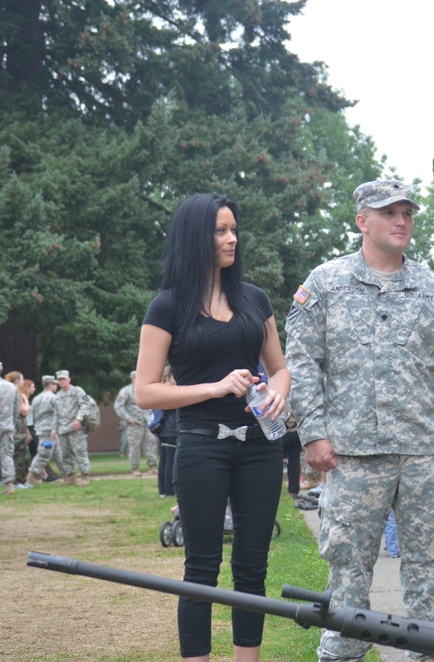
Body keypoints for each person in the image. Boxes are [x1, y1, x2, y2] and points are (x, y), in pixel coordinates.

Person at [285, 179, 434, 662]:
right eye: (389, 212)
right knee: (348, 570)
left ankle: (426, 656)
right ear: (361, 221)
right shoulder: (326, 284)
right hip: (350, 455)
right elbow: (302, 362)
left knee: (429, 571)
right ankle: (344, 654)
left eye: (408, 213)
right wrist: (313, 431)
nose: (401, 221)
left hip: (423, 455)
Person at [134, 192, 290, 662]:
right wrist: (215, 387)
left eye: (234, 230)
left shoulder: (254, 299)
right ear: (194, 237)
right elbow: (146, 391)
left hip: (260, 448)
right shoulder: (167, 307)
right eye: (220, 230)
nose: (232, 239)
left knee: (252, 568)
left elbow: (279, 368)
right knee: (200, 569)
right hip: (201, 446)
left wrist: (278, 391)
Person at [115, 370, 159, 476]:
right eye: (136, 378)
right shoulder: (126, 391)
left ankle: (152, 467)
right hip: (134, 424)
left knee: (151, 443)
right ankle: (135, 469)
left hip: (147, 422)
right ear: (132, 378)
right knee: (134, 446)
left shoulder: (145, 390)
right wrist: (129, 419)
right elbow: (118, 407)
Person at [53, 369, 92, 486]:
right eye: (59, 380)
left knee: (80, 452)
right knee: (65, 454)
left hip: (76, 428)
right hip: (62, 429)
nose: (61, 381)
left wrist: (78, 419)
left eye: (63, 379)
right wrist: (54, 429)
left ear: (69, 379)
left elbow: (85, 405)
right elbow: (56, 414)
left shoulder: (78, 391)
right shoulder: (58, 396)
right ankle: (70, 477)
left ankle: (85, 476)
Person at [27, 375, 63, 485]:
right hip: (49, 431)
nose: (56, 386)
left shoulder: (36, 399)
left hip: (42, 430)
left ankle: (68, 475)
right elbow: (60, 413)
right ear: (51, 385)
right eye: (55, 384)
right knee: (44, 454)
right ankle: (31, 476)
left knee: (58, 454)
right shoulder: (53, 397)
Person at [154, 367, 179, 499]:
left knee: (164, 459)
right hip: (171, 429)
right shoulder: (170, 390)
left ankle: (162, 490)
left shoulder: (160, 388)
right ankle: (169, 491)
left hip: (163, 429)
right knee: (170, 459)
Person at [0, 361, 19, 495]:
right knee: (6, 455)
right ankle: (9, 485)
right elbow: (16, 407)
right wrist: (12, 422)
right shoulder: (11, 387)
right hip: (7, 426)